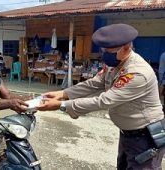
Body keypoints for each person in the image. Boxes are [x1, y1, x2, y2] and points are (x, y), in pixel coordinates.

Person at [37, 23, 165, 169]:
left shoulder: (137, 73)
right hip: (128, 134)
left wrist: (61, 105)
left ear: (126, 48)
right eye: (103, 50)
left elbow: (104, 101)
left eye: (109, 52)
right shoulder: (116, 63)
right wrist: (63, 93)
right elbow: (95, 83)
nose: (105, 55)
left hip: (144, 137)